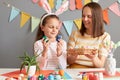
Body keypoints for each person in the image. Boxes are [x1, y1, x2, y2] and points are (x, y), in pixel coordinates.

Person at [67, 2, 111, 68]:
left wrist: (93, 58)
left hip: (93, 72)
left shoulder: (105, 37)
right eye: (83, 16)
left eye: (89, 16)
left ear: (97, 18)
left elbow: (101, 65)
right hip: (74, 70)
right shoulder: (74, 34)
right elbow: (68, 61)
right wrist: (74, 56)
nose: (85, 19)